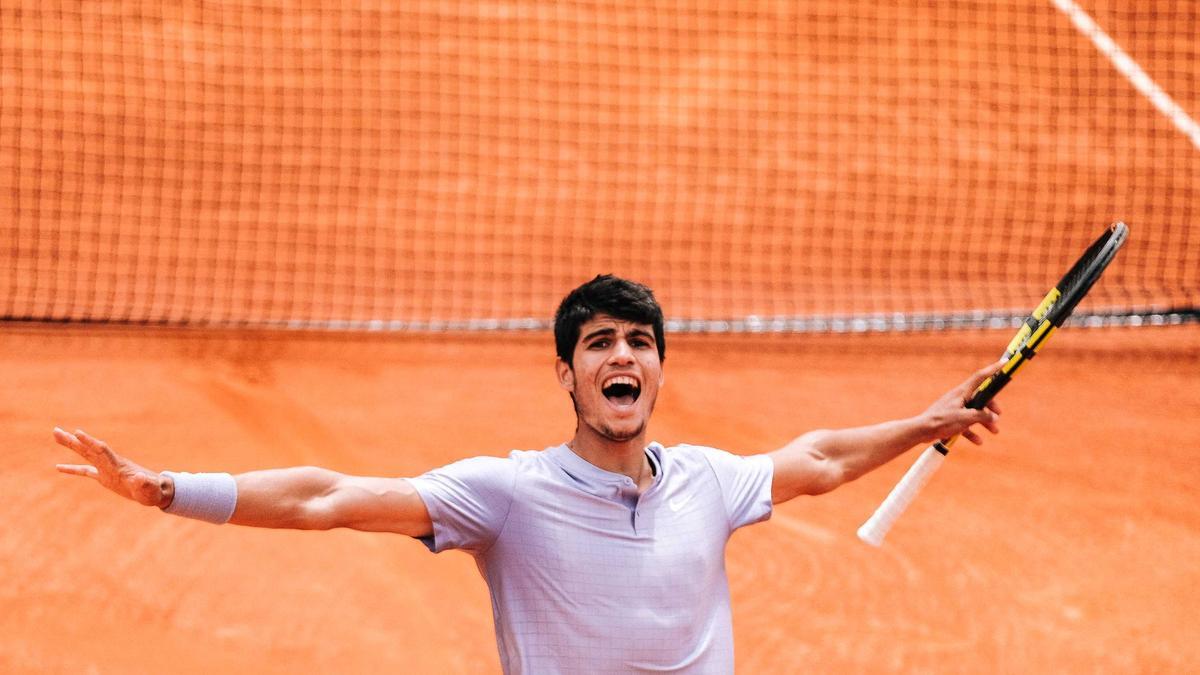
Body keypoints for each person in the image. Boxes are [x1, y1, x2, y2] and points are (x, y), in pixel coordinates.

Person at [53, 274, 1001, 674]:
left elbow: (823, 457)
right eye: (599, 343)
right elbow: (326, 496)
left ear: (659, 367)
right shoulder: (505, 496)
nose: (620, 356)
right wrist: (170, 489)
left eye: (638, 341)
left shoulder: (710, 481)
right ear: (567, 372)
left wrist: (928, 418)